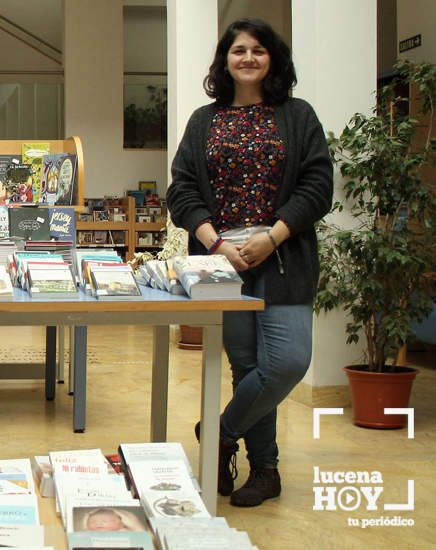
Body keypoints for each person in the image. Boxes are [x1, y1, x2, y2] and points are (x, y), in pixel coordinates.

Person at [166, 18, 332, 507]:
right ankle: (265, 472)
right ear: (225, 61)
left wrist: (273, 236)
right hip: (222, 266)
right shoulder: (204, 120)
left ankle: (218, 432)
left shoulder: (297, 116)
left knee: (287, 363)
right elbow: (183, 190)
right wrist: (216, 243)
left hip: (282, 259)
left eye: (259, 50)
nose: (249, 58)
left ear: (273, 60)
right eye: (239, 50)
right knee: (247, 368)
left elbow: (317, 186)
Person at [80, 507, 147, 532]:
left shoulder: (122, 531)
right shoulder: (90, 532)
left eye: (104, 521)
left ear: (121, 523)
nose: (98, 524)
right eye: (92, 522)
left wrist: (137, 528)